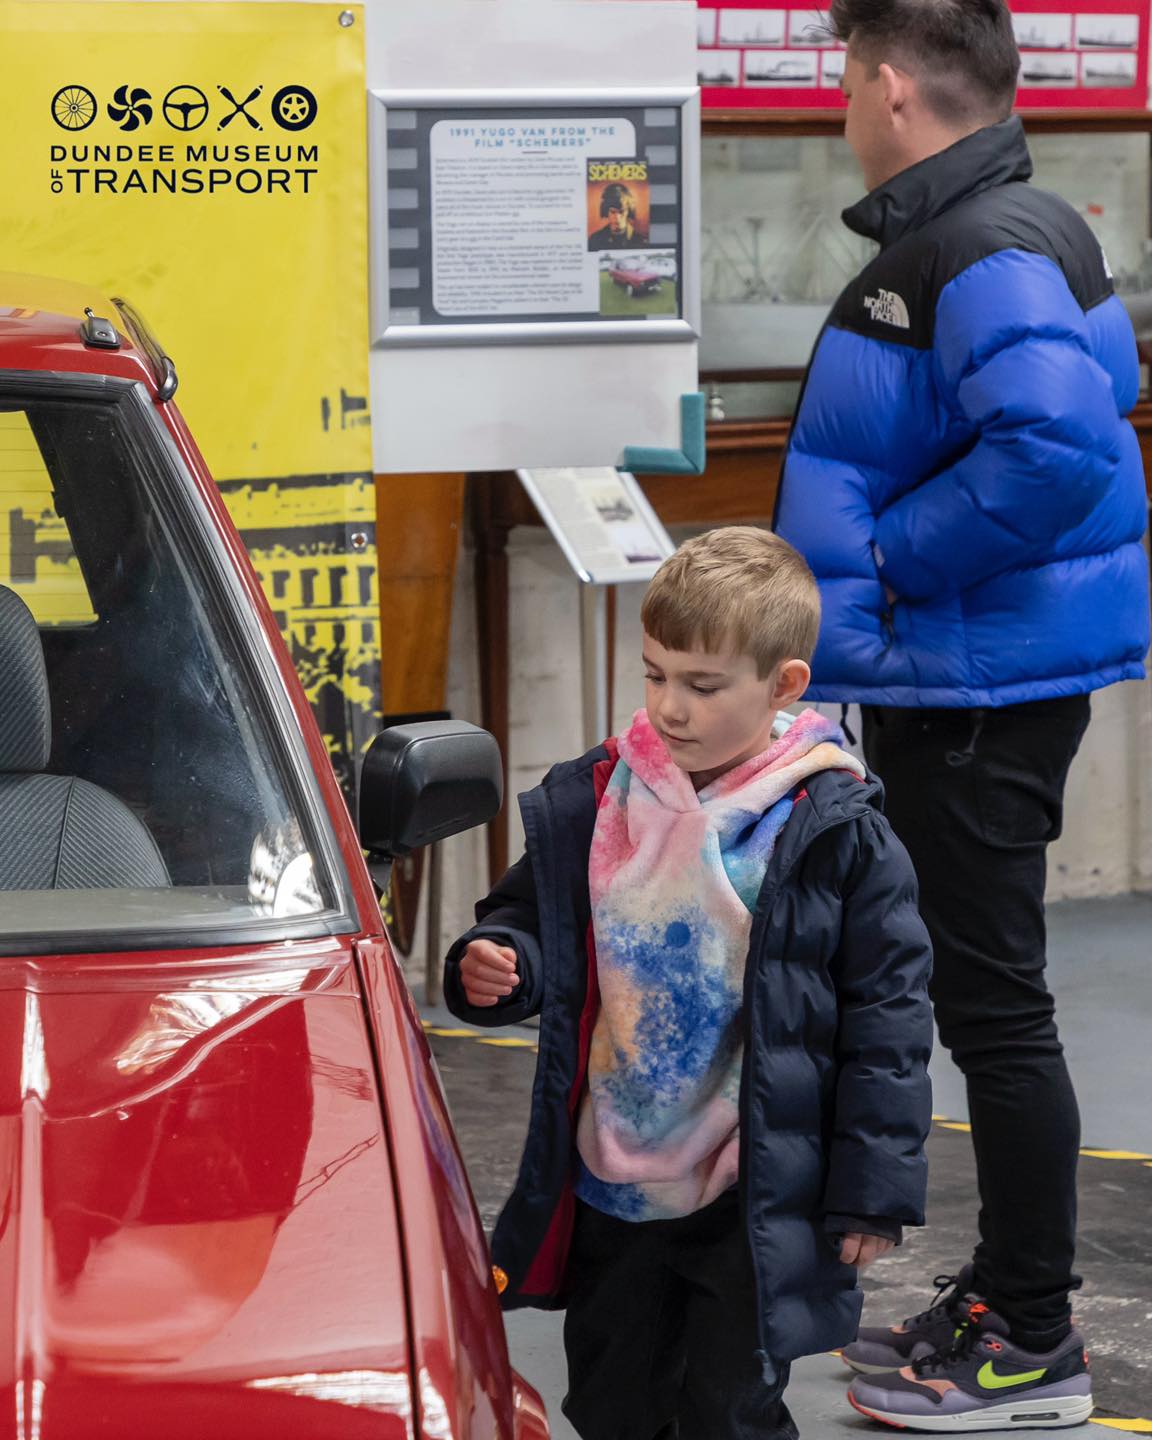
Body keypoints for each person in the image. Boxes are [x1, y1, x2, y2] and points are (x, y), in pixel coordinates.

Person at [774, 0, 1149, 1429]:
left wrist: (887, 570)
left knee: (995, 1010)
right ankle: (1004, 1287)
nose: (842, 112)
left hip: (977, 688)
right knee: (980, 999)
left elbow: (1055, 451)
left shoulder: (978, 249)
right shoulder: (1020, 222)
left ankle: (1032, 1339)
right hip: (978, 680)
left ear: (887, 88)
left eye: (844, 86)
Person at [443, 527, 934, 1440]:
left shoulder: (832, 827)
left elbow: (889, 1020)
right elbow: (534, 921)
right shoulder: (600, 797)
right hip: (612, 1173)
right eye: (655, 674)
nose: (670, 706)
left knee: (728, 1410)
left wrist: (871, 1187)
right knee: (611, 1399)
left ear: (784, 685)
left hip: (751, 1184)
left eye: (703, 686)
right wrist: (500, 962)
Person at [588, 181, 648, 249]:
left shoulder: (642, 242)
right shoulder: (595, 241)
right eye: (613, 212)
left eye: (622, 211)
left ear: (629, 211)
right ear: (606, 211)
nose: (617, 217)